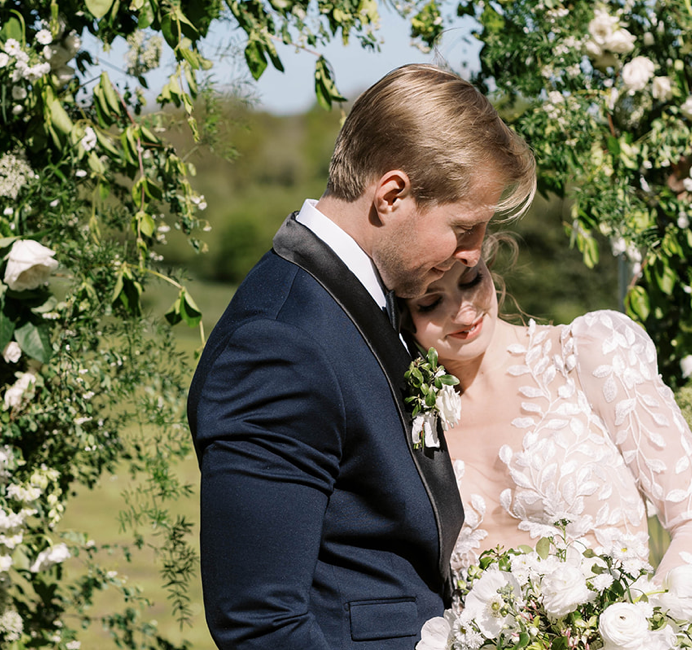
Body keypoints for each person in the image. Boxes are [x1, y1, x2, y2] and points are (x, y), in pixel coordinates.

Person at [186, 64, 537, 649]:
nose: (474, 254)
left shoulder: (370, 301)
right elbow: (262, 624)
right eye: (465, 226)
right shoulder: (279, 344)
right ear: (392, 195)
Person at [403, 243, 692, 593]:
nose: (463, 309)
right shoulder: (416, 420)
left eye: (471, 281)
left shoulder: (586, 352)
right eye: (431, 302)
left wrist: (647, 626)